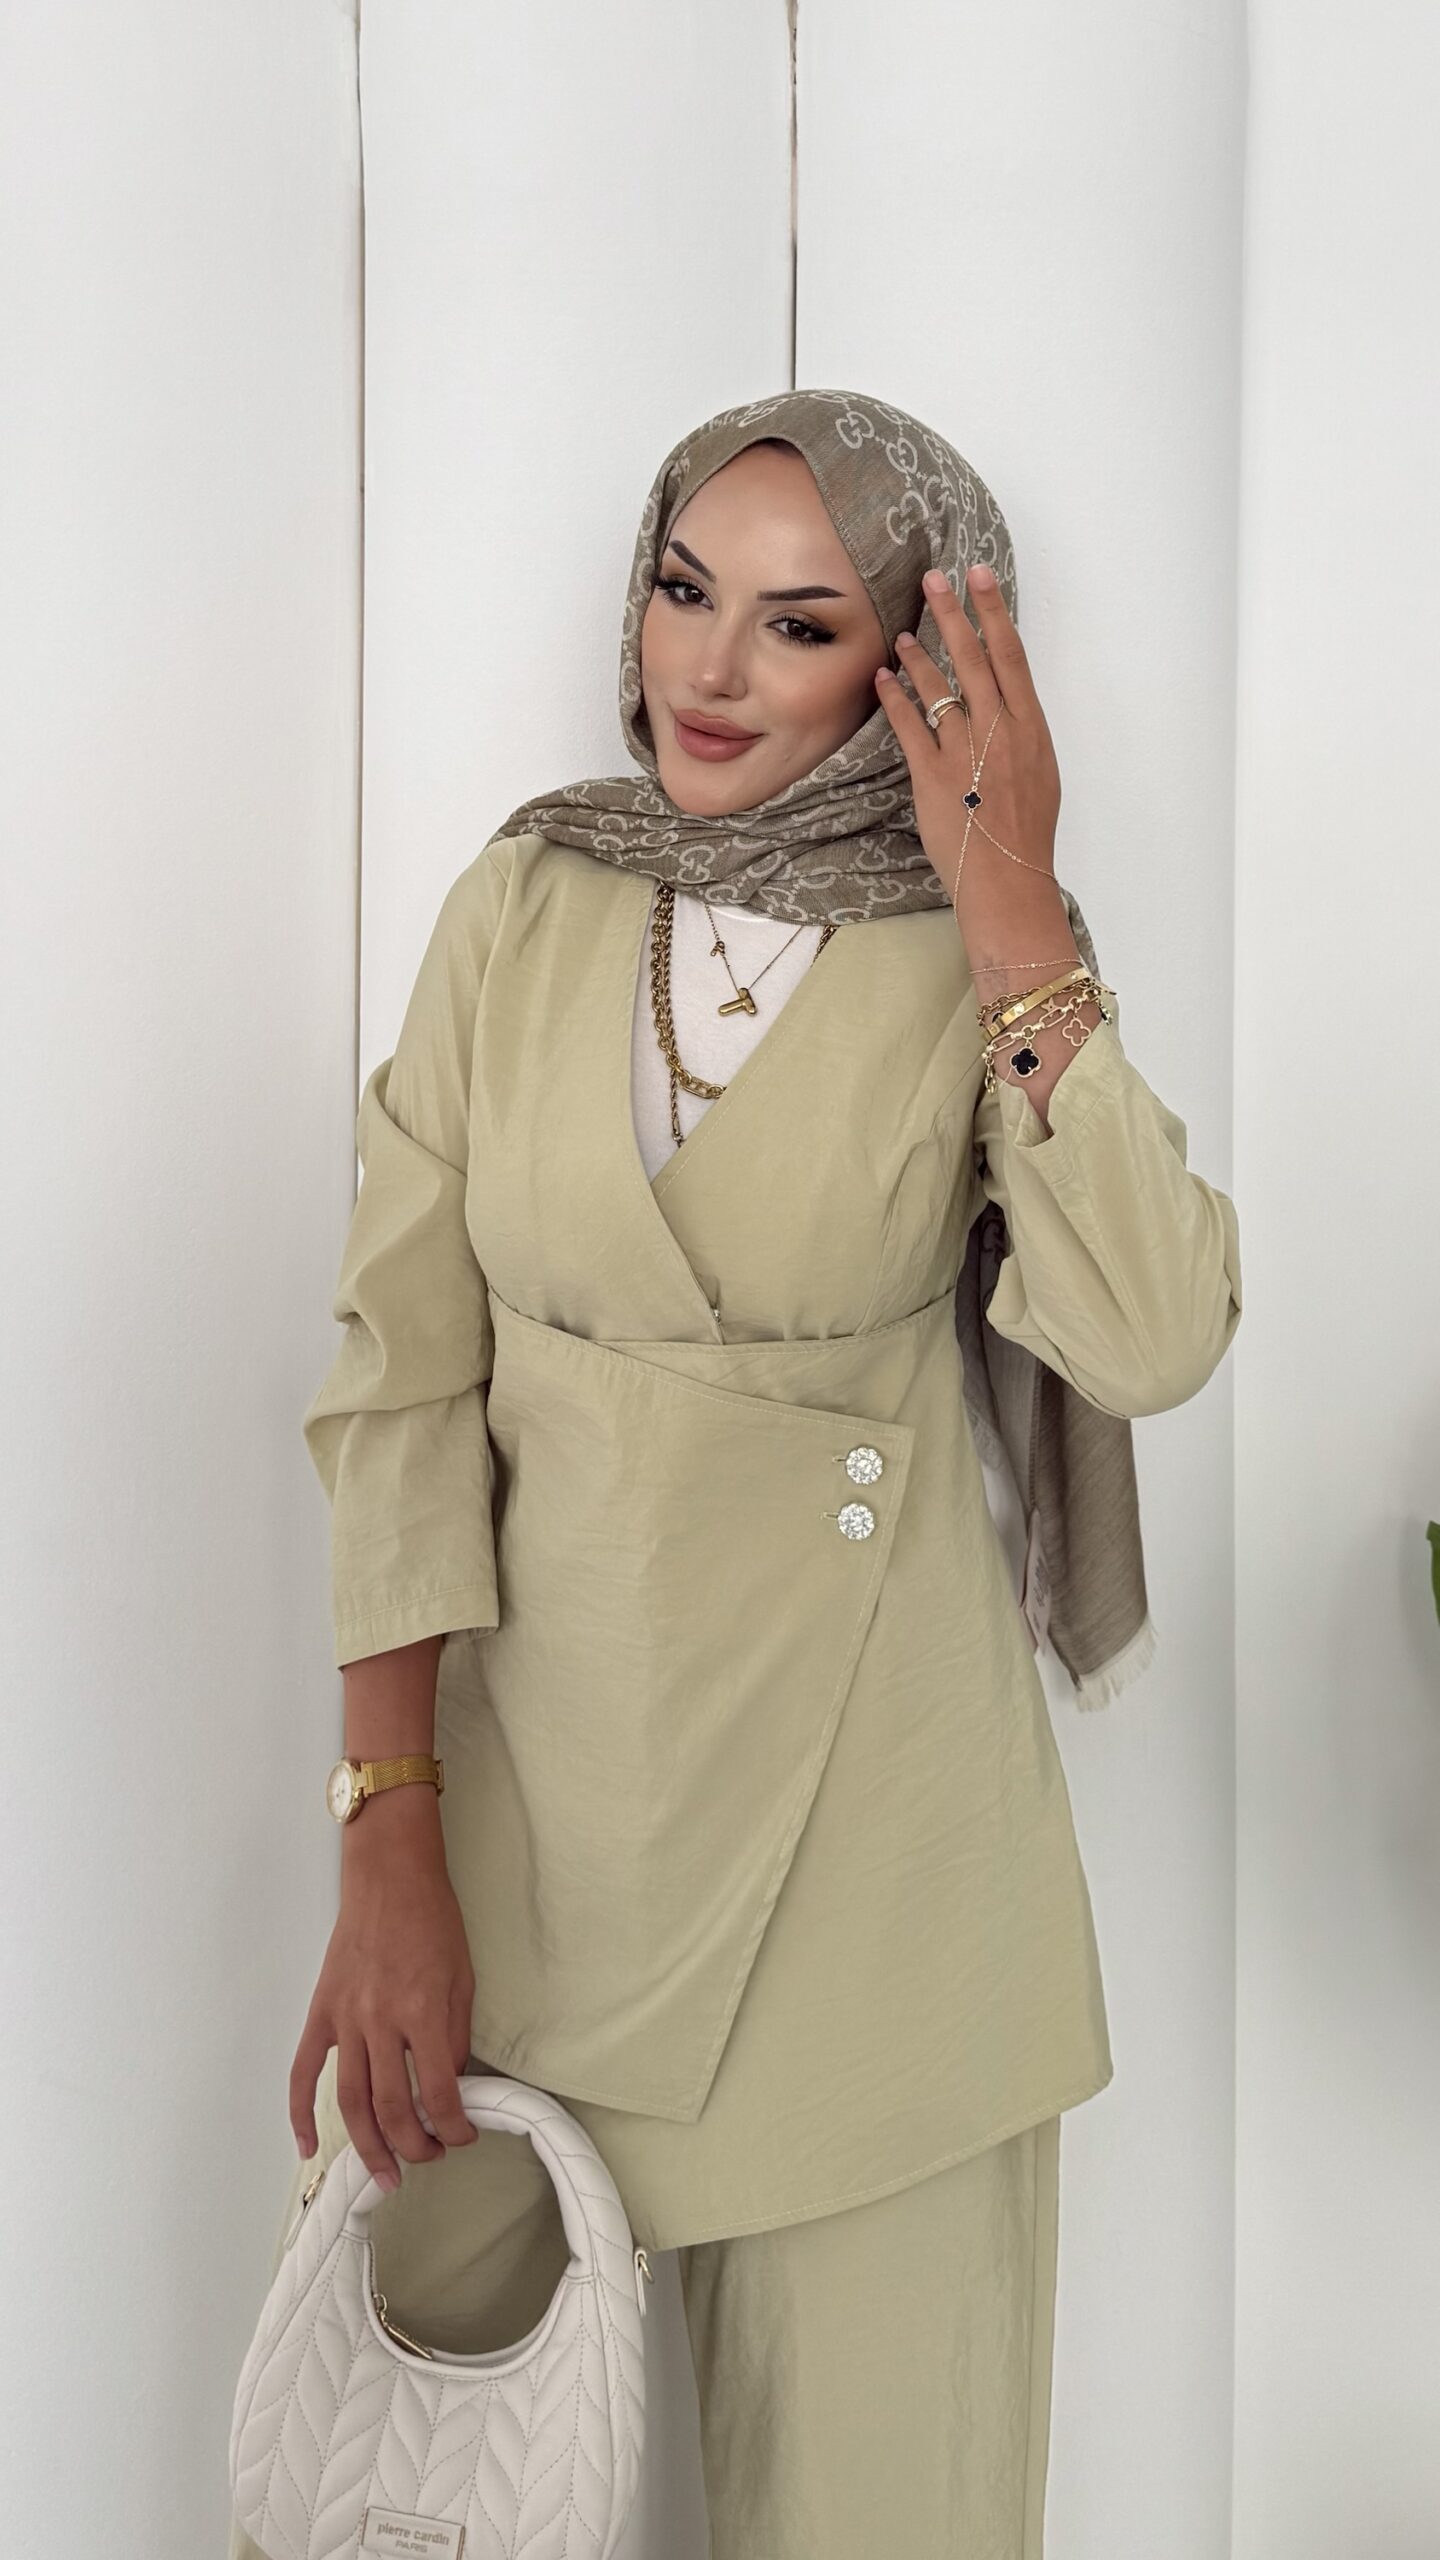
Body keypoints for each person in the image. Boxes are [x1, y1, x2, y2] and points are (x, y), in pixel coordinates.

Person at [229, 388, 1242, 2559]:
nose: (708, 667)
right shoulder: (526, 899)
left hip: (883, 1900)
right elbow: (398, 1382)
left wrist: (1014, 907)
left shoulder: (986, 960)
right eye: (687, 590)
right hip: (506, 1872)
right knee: (382, 2510)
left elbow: (1155, 1334)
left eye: (799, 624)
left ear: (916, 667)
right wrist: (387, 1839)